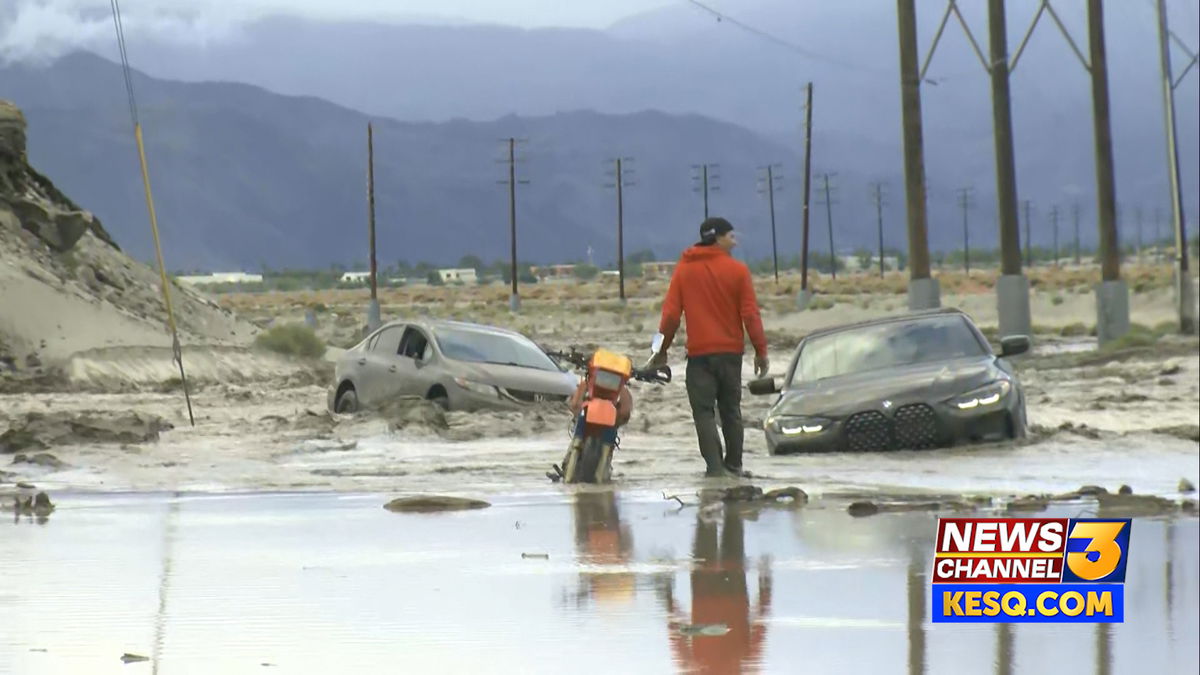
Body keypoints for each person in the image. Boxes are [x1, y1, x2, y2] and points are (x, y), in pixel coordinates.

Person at [649, 217, 768, 478]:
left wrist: (660, 350)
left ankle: (715, 469)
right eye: (731, 236)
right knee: (731, 411)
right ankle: (734, 465)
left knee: (703, 413)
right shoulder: (738, 271)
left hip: (700, 356)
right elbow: (750, 314)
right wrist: (761, 350)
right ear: (718, 238)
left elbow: (669, 316)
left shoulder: (684, 269)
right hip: (730, 355)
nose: (735, 241)